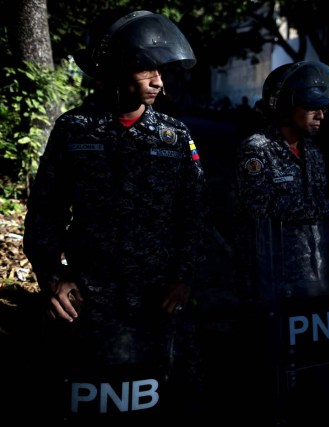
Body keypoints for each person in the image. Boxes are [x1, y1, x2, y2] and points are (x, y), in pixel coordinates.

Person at [22, 9, 208, 419]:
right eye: (146, 71)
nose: (159, 81)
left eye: (160, 71)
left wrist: (184, 278)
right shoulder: (75, 129)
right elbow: (46, 211)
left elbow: (193, 214)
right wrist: (52, 277)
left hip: (159, 301)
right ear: (120, 69)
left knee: (166, 401)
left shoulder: (174, 136)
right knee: (85, 400)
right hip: (89, 299)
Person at [233, 60, 329, 295]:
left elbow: (312, 209)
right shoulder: (257, 149)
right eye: (313, 107)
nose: (321, 115)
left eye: (325, 109)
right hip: (270, 276)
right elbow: (261, 207)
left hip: (311, 272)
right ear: (286, 108)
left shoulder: (313, 151)